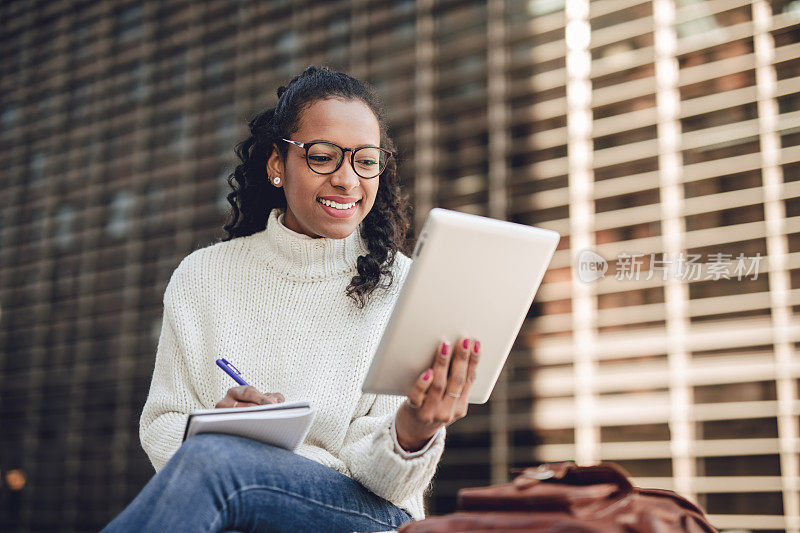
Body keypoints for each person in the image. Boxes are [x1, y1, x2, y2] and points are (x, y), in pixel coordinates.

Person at [101, 65, 481, 533]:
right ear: (277, 165)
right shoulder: (202, 277)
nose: (347, 179)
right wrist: (220, 431)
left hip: (367, 515)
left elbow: (386, 485)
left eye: (366, 160)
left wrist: (415, 429)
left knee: (218, 461)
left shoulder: (404, 285)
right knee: (217, 458)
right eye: (323, 157)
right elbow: (161, 425)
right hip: (236, 496)